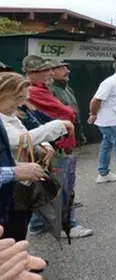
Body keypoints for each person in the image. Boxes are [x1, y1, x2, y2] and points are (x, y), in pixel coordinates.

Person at [0, 73, 50, 243]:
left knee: (19, 224)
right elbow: (18, 140)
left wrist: (41, 146)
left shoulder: (11, 115)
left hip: (16, 184)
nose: (21, 103)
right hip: (10, 184)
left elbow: (24, 136)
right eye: (17, 97)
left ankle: (21, 259)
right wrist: (57, 127)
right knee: (10, 229)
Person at [49, 60, 85, 146]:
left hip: (71, 135)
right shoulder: (50, 91)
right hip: (59, 138)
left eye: (66, 68)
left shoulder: (68, 89)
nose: (68, 71)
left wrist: (79, 134)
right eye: (62, 69)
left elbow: (76, 113)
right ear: (51, 72)